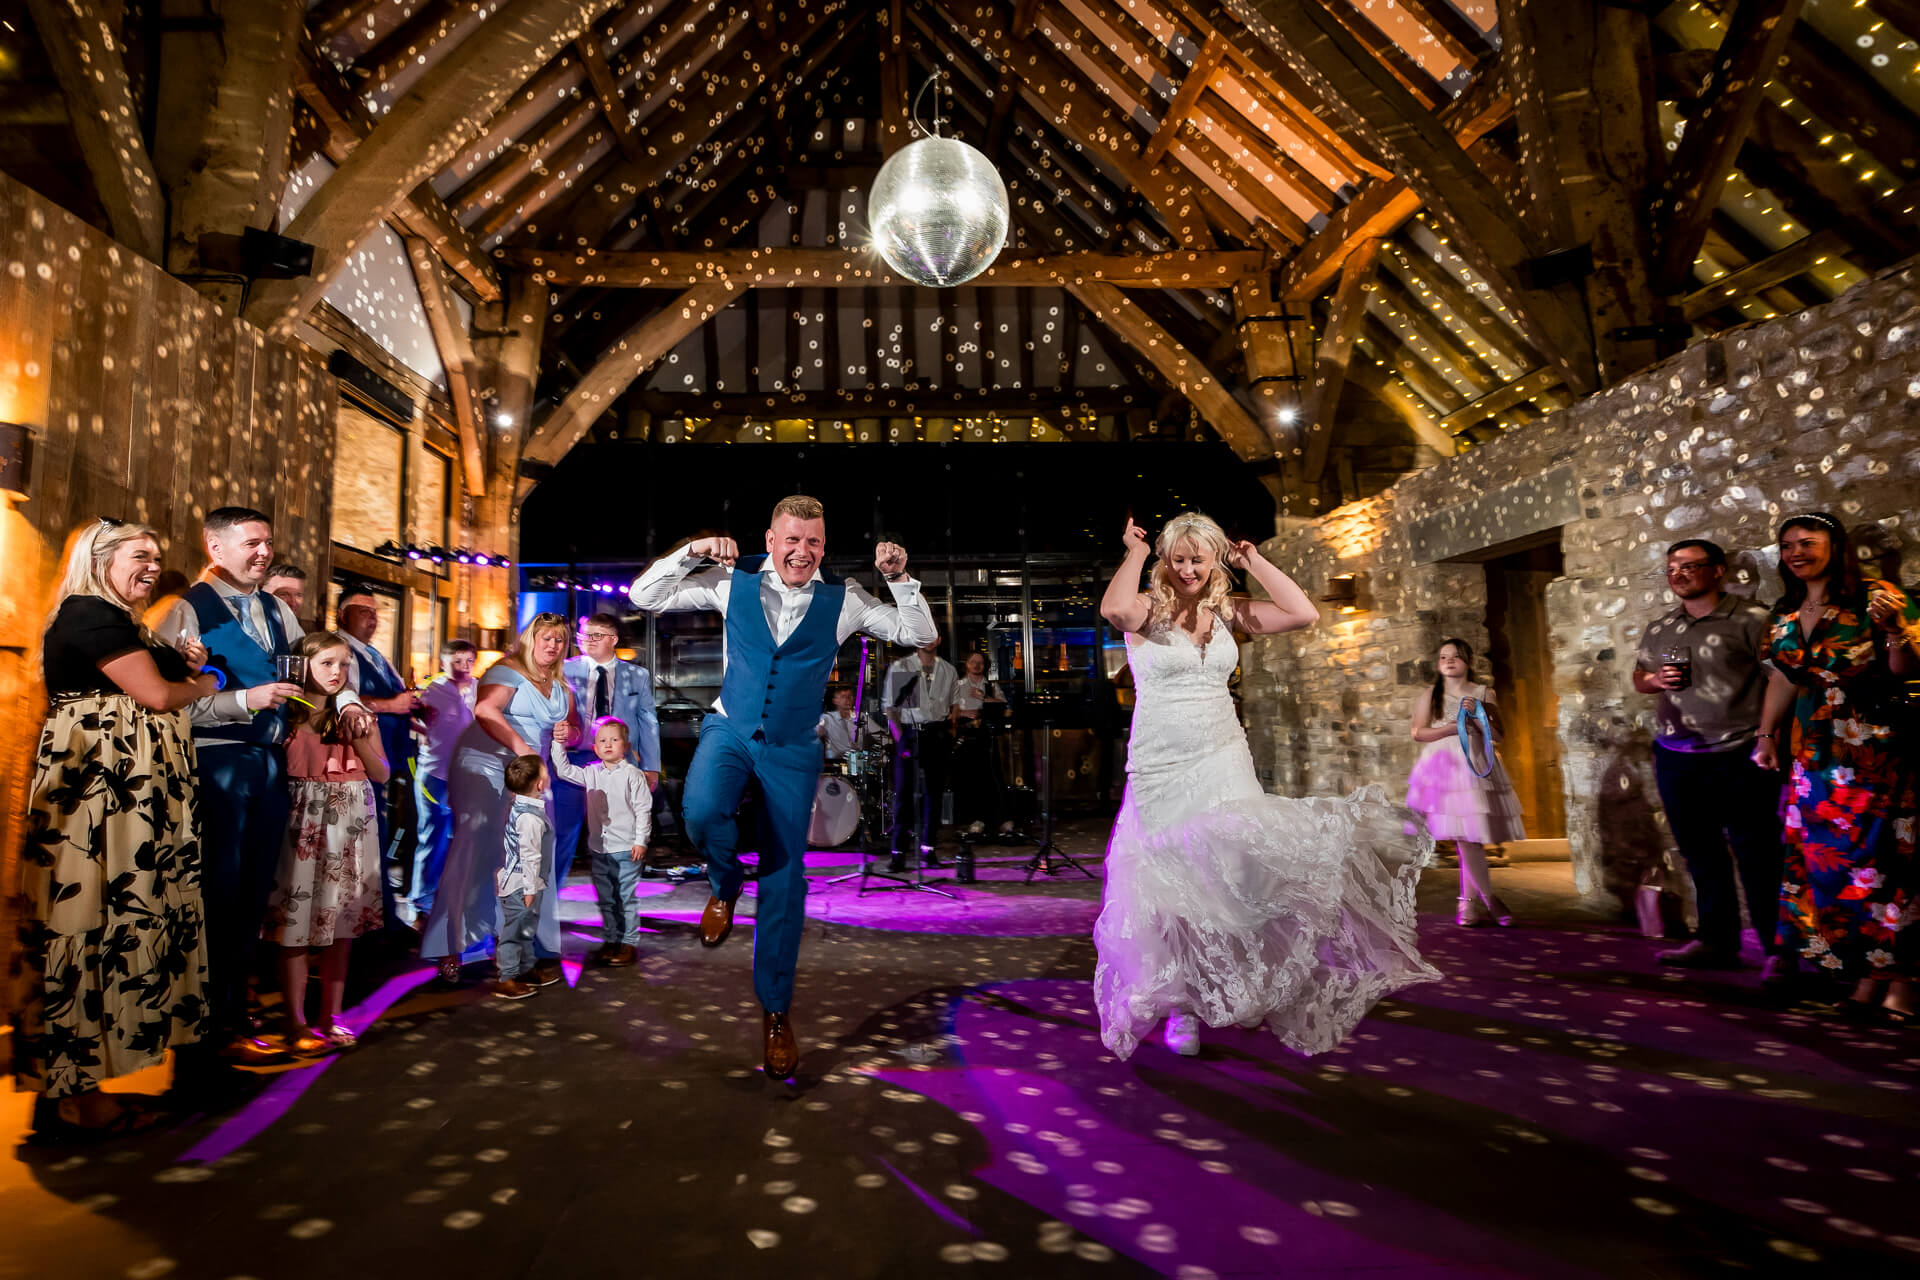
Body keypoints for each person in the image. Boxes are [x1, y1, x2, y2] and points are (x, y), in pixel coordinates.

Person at [1093, 513, 1437, 1059]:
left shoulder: (1226, 610)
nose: (1187, 569)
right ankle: (1181, 1004)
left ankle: (1239, 985)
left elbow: (1302, 613)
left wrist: (1253, 560)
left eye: (1197, 559)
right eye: (1177, 559)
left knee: (1237, 871)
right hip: (1162, 762)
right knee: (1172, 880)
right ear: (1165, 560)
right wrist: (1134, 550)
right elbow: (1114, 609)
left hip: (1224, 752)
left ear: (1213, 560)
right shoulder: (1148, 611)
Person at [629, 495, 937, 1077]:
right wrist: (691, 551)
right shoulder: (730, 580)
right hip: (732, 728)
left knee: (785, 879)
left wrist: (899, 579)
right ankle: (725, 881)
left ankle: (775, 1011)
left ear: (824, 544)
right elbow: (643, 597)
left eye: (814, 542)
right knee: (699, 813)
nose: (802, 551)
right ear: (770, 539)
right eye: (792, 539)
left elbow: (914, 633)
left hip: (794, 746)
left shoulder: (842, 598)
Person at [12, 519, 216, 1140]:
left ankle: (74, 1090)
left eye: (157, 556)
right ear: (98, 559)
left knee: (115, 924)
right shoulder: (88, 614)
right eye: (139, 556)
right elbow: (155, 695)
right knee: (86, 926)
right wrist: (205, 683)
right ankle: (76, 1097)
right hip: (102, 801)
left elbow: (153, 682)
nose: (153, 566)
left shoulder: (119, 621)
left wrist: (185, 664)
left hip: (129, 800)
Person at [154, 506, 369, 1074]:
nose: (264, 553)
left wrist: (345, 699)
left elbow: (313, 668)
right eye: (251, 542)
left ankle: (238, 1019)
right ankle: (207, 1034)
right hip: (217, 762)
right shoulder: (182, 611)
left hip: (272, 764)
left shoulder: (276, 608)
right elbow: (163, 697)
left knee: (252, 898)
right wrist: (240, 702)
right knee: (216, 897)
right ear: (214, 546)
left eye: (268, 542)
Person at [1755, 513, 1919, 1022]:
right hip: (1815, 755)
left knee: (1882, 866)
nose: (1796, 552)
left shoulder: (1876, 595)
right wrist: (1765, 735)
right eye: (1786, 546)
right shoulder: (1785, 611)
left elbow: (1908, 670)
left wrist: (1893, 630)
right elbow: (1784, 678)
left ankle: (1895, 984)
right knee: (1827, 869)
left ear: (1836, 545)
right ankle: (1856, 974)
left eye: (1807, 542)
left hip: (1873, 749)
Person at [1631, 539, 1786, 975]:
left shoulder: (1752, 621)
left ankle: (1777, 950)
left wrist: (1766, 735)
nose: (1678, 574)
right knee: (1700, 853)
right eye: (1671, 569)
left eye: (1689, 566)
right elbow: (1639, 677)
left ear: (1717, 570)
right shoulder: (1662, 626)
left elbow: (1781, 678)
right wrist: (1655, 680)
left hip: (1738, 752)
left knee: (1757, 853)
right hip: (1676, 754)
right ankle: (1717, 941)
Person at [419, 614, 579, 986]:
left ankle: (516, 946)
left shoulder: (559, 682)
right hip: (485, 764)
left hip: (531, 772)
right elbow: (485, 711)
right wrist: (524, 750)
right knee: (475, 850)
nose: (553, 646)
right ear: (530, 640)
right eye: (546, 638)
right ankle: (449, 944)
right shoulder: (506, 669)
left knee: (529, 855)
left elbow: (574, 726)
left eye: (559, 640)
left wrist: (568, 732)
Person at [263, 632, 389, 1055]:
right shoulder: (287, 714)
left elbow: (383, 773)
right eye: (327, 664)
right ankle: (294, 1018)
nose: (336, 673)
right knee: (295, 923)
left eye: (343, 664)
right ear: (304, 666)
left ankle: (330, 1014)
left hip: (351, 819)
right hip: (303, 818)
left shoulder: (357, 715)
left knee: (342, 923)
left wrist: (358, 737)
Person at [1406, 638, 1526, 928]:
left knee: (1469, 838)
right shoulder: (1430, 695)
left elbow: (1499, 735)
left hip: (1474, 764)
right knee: (1466, 839)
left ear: (1468, 662)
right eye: (1444, 657)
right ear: (1438, 664)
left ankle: (1468, 904)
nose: (1449, 661)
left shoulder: (1484, 692)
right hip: (1445, 767)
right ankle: (1489, 900)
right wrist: (1449, 727)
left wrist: (1479, 719)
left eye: (1456, 657)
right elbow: (1418, 733)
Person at [335, 584, 422, 909]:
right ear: (342, 615)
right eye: (364, 612)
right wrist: (393, 706)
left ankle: (382, 915)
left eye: (375, 614)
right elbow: (346, 698)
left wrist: (412, 716)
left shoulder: (374, 653)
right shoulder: (341, 649)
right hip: (362, 759)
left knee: (380, 836)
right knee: (366, 839)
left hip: (388, 760)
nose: (372, 620)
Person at [556, 612, 660, 885]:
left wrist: (651, 767)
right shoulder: (564, 670)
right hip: (575, 758)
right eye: (584, 636)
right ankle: (544, 904)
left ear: (613, 639)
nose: (587, 641)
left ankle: (619, 898)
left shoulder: (637, 675)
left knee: (619, 831)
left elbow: (648, 721)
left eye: (596, 635)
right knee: (562, 831)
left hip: (620, 763)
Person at [548, 717, 652, 966]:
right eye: (602, 740)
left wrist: (641, 841)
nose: (608, 744)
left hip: (626, 848)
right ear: (594, 747)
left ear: (625, 745)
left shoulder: (633, 775)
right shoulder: (591, 772)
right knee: (606, 897)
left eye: (614, 740)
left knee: (625, 897)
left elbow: (643, 810)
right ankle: (612, 939)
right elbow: (563, 771)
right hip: (599, 848)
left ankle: (628, 942)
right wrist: (557, 743)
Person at [405, 639, 477, 925]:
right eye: (456, 662)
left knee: (466, 841)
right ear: (443, 662)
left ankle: (458, 903)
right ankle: (421, 904)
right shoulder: (431, 688)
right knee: (431, 838)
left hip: (470, 776)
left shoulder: (481, 688)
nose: (463, 668)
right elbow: (407, 716)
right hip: (434, 773)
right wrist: (422, 731)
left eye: (468, 662)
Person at [883, 641, 958, 869]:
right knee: (904, 794)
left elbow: (954, 704)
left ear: (938, 638)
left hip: (936, 733)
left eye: (933, 634)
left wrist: (951, 729)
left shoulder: (948, 670)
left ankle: (929, 850)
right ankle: (898, 853)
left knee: (933, 795)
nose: (928, 639)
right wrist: (900, 740)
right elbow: (890, 708)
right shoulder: (903, 666)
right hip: (910, 733)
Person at [493, 755, 554, 1000]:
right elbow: (529, 855)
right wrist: (530, 889)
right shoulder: (529, 817)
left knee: (527, 930)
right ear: (540, 785)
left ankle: (527, 968)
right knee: (514, 932)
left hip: (527, 883)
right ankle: (506, 979)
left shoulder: (523, 807)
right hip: (521, 884)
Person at [950, 652, 1014, 837]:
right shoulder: (957, 686)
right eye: (973, 662)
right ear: (967, 665)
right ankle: (974, 820)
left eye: (980, 662)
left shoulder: (991, 687)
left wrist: (984, 698)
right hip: (965, 739)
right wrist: (963, 713)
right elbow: (944, 712)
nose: (977, 665)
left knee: (993, 779)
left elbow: (1005, 708)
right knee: (971, 781)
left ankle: (997, 820)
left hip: (988, 738)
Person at [816, 685, 880, 763]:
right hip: (835, 763)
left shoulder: (860, 716)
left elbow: (881, 735)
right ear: (835, 700)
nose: (847, 699)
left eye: (850, 696)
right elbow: (812, 735)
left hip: (858, 762)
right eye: (843, 697)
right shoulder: (827, 718)